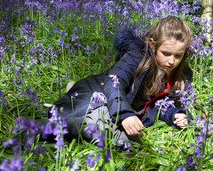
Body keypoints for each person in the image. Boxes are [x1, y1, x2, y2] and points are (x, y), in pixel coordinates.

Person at [35, 15, 193, 148]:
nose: (172, 61)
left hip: (124, 109)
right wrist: (125, 115)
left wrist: (176, 114)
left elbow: (162, 105)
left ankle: (75, 106)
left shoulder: (181, 75)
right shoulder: (137, 56)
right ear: (152, 44)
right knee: (107, 131)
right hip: (102, 95)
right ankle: (39, 127)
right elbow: (114, 82)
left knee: (129, 142)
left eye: (178, 56)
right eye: (166, 53)